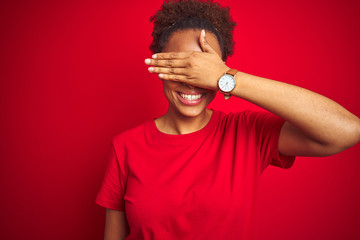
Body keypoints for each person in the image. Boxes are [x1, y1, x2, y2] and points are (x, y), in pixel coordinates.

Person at [95, 0, 360, 239]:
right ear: (161, 68)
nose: (192, 83)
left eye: (203, 71)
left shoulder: (247, 132)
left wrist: (229, 79)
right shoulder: (125, 147)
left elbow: (348, 130)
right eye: (183, 67)